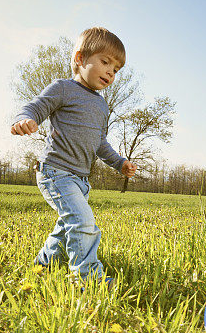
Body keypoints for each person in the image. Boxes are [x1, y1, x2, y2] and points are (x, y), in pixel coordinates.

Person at [10, 27, 137, 287]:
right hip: (56, 172)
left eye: (116, 69)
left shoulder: (102, 106)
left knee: (66, 224)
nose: (111, 72)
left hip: (81, 179)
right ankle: (88, 277)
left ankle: (43, 264)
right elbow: (35, 106)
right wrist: (25, 119)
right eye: (105, 62)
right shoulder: (63, 89)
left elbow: (100, 142)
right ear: (80, 59)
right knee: (82, 221)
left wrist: (120, 162)